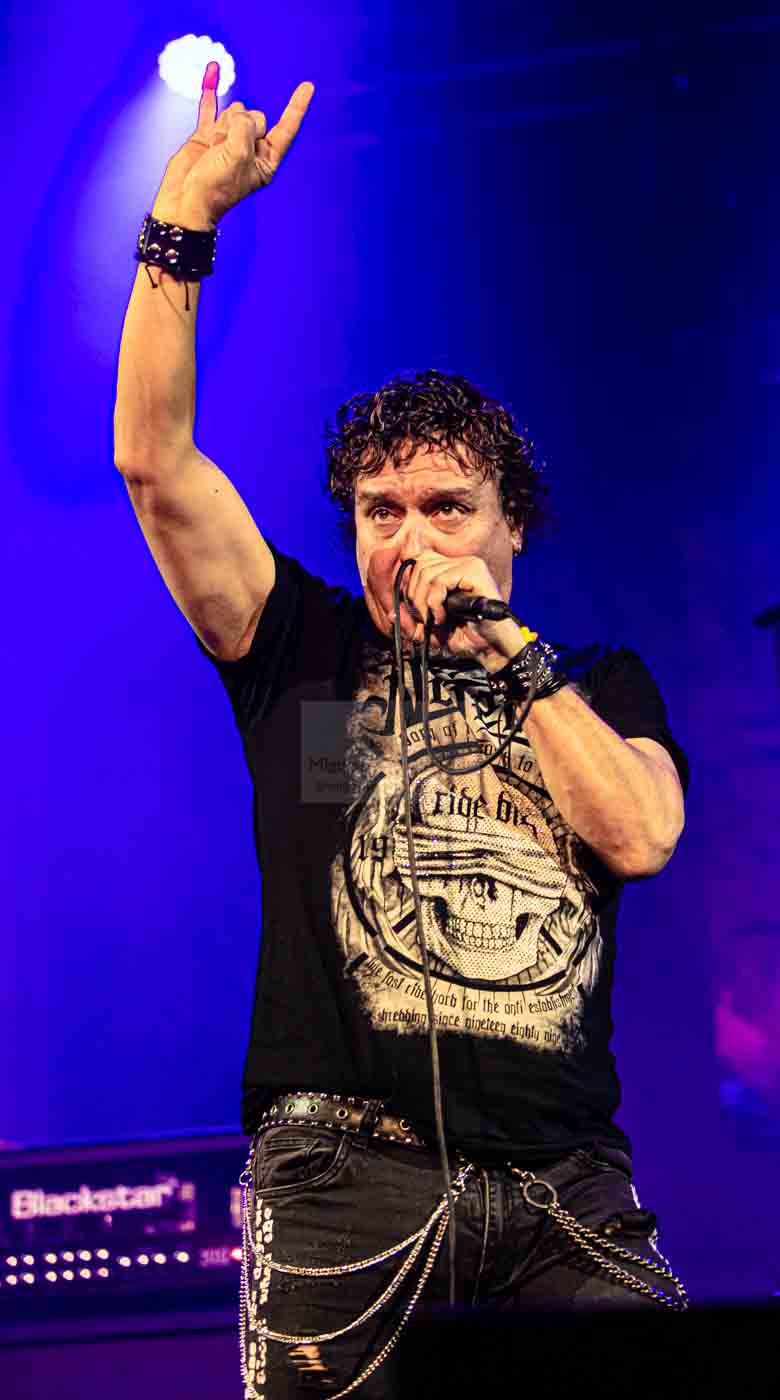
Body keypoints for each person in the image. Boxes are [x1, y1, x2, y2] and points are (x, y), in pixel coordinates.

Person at [114, 61, 690, 1400]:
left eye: (446, 507)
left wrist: (504, 650)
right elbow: (155, 461)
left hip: (563, 1191)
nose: (413, 538)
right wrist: (180, 220)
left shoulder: (597, 681)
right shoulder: (298, 647)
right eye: (382, 512)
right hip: (347, 1179)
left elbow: (640, 835)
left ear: (510, 526)